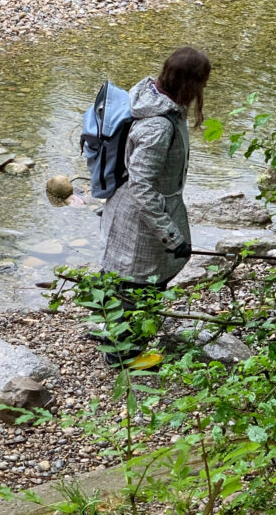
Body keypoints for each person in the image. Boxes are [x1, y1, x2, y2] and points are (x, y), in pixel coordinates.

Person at [99, 46, 211, 364]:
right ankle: (124, 355)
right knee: (142, 283)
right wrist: (171, 236)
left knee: (125, 278)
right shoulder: (159, 127)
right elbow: (142, 187)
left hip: (134, 212)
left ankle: (113, 334)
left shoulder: (153, 97)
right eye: (201, 84)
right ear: (190, 85)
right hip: (140, 221)